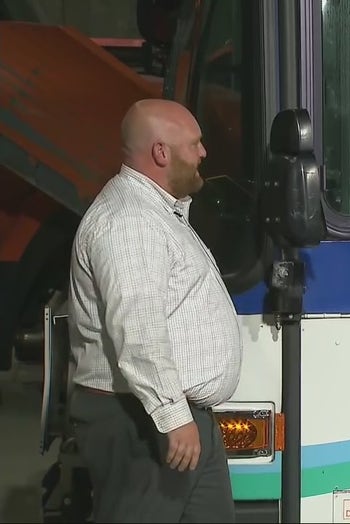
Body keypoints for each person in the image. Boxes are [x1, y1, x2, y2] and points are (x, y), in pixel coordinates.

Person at [67, 98, 242, 522]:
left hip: (175, 417)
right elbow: (138, 328)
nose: (204, 153)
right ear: (161, 153)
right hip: (142, 422)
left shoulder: (157, 213)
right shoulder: (131, 221)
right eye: (195, 144)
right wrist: (171, 415)